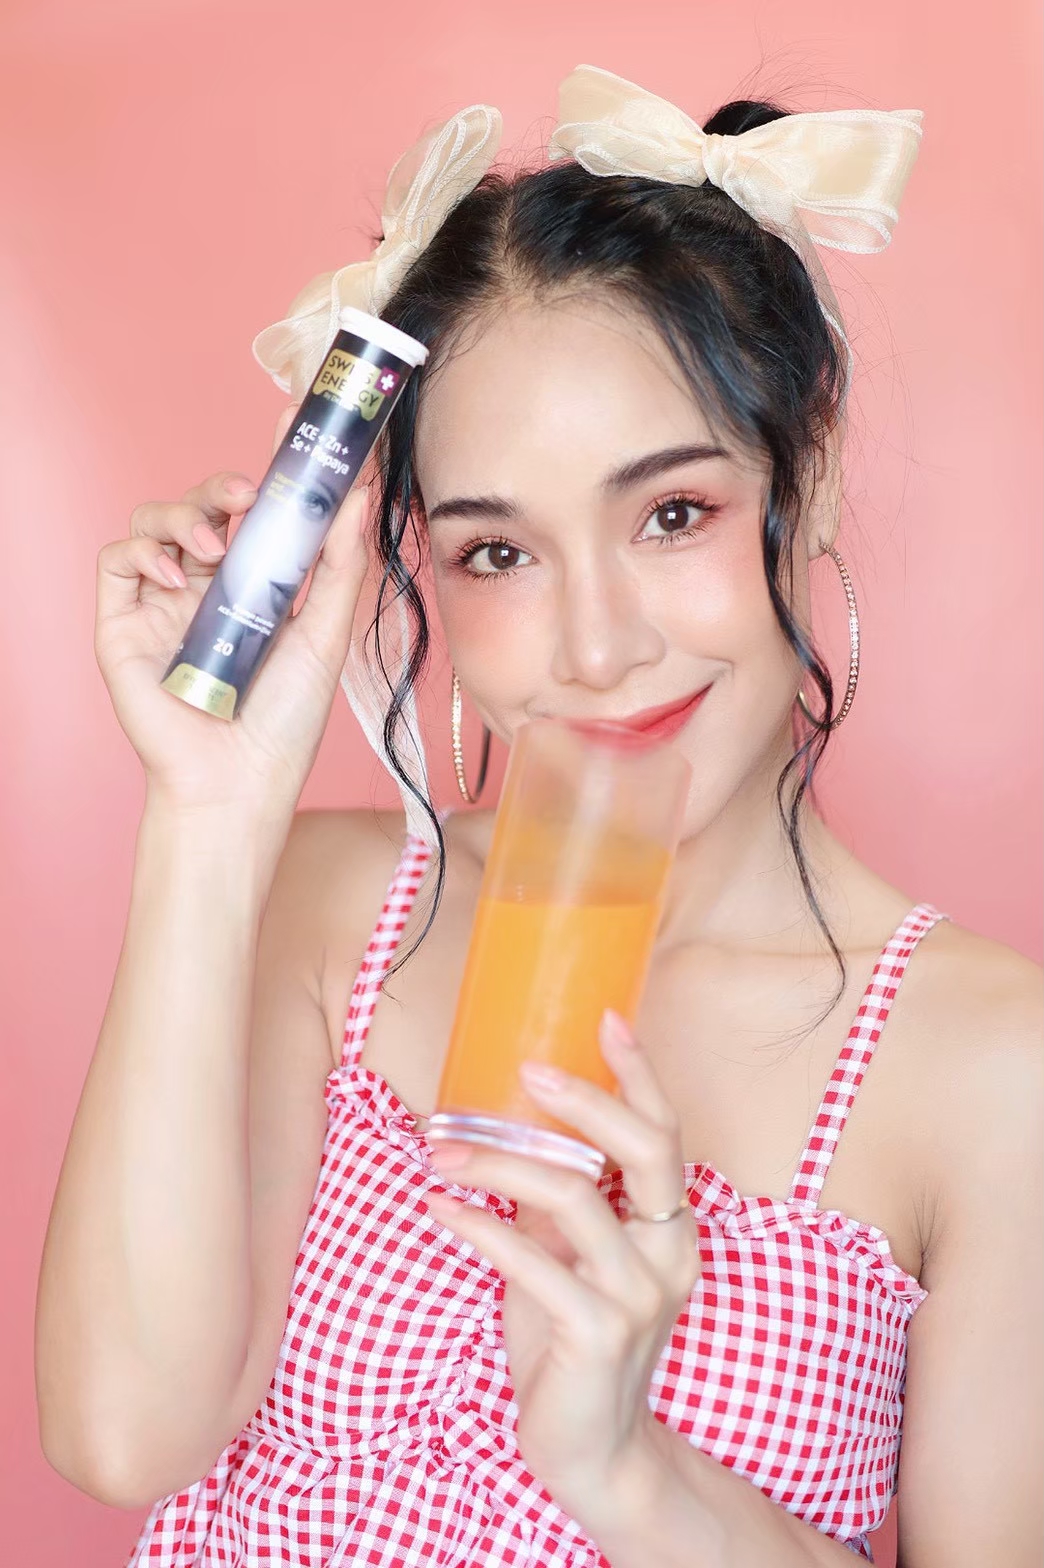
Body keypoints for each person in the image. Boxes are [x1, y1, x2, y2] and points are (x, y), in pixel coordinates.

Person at [36, 64, 1042, 1568]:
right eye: (498, 554)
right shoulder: (329, 903)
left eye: (673, 515)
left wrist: (632, 1474)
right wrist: (209, 816)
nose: (595, 648)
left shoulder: (993, 1069)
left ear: (812, 475)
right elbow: (124, 1438)